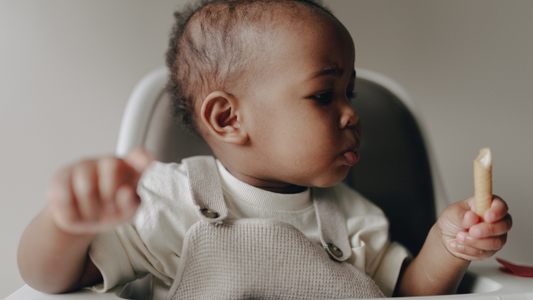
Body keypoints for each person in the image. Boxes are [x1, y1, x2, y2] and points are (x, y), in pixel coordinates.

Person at [18, 0, 513, 299]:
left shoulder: (353, 218)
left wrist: (450, 247)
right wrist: (66, 224)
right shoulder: (170, 200)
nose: (351, 115)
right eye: (324, 96)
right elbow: (50, 279)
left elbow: (407, 293)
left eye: (349, 94)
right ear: (228, 118)